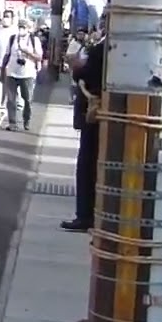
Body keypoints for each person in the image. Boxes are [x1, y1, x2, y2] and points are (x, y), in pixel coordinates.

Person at [64, 15, 105, 233]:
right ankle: (86, 213)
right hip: (93, 111)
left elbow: (87, 72)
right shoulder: (104, 44)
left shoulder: (106, 46)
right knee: (88, 163)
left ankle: (85, 214)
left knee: (88, 163)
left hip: (96, 111)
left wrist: (79, 66)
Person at [2, 19, 43, 131]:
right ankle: (12, 123)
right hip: (12, 72)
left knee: (28, 99)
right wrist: (2, 68)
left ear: (29, 29)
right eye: (20, 26)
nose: (21, 29)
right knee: (11, 99)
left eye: (24, 27)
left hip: (27, 74)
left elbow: (39, 57)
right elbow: (7, 54)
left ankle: (26, 120)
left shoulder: (34, 40)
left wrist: (27, 51)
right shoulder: (12, 39)